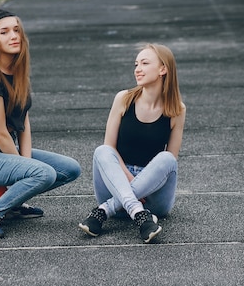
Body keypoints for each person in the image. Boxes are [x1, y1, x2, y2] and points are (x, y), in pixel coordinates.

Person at [0, 9, 81, 238]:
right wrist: (25, 168)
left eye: (16, 30)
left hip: (8, 146)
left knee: (70, 169)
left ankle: (13, 206)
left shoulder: (18, 74)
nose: (13, 36)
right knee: (44, 174)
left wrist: (26, 161)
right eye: (5, 32)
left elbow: (23, 123)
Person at [78, 43, 186, 243]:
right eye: (136, 64)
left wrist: (142, 186)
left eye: (145, 63)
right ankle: (138, 213)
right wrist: (130, 183)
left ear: (163, 69)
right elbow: (109, 147)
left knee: (167, 158)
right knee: (102, 151)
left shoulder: (177, 109)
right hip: (116, 182)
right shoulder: (124, 99)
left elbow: (171, 160)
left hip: (154, 199)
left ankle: (105, 210)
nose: (137, 68)